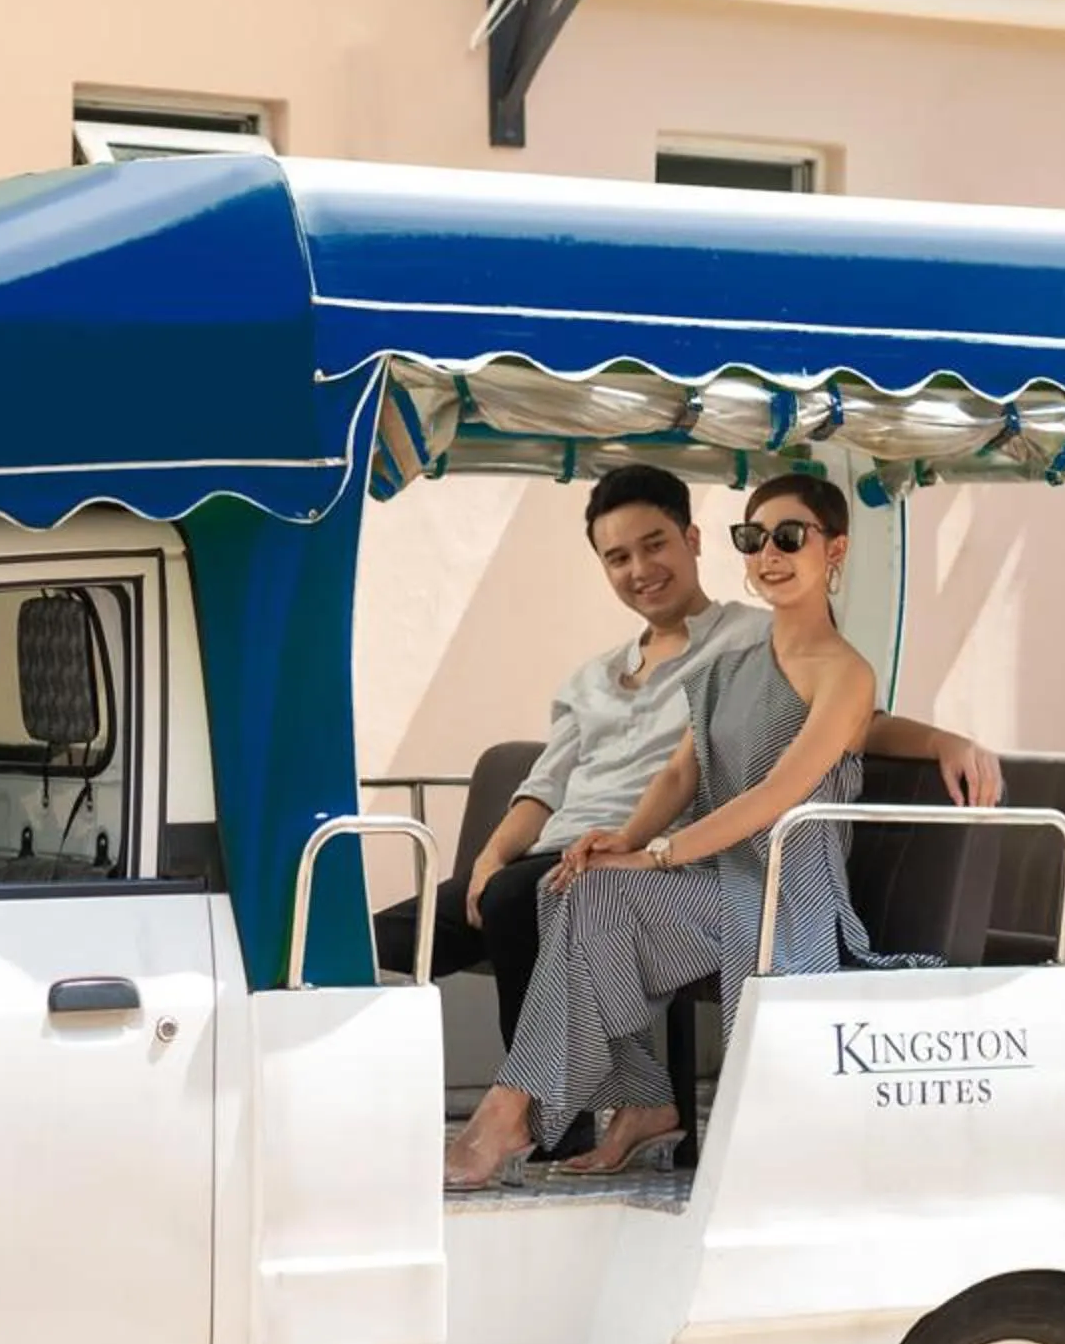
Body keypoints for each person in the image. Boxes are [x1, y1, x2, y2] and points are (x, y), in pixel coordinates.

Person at [374, 464, 998, 1149]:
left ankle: (516, 1117)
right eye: (754, 538)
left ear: (834, 550)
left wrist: (656, 853)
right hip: (696, 868)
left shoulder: (828, 665)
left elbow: (780, 789)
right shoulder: (724, 667)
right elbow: (676, 774)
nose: (769, 555)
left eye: (789, 538)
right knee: (576, 890)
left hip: (780, 889)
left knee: (563, 895)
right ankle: (635, 1098)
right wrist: (621, 840)